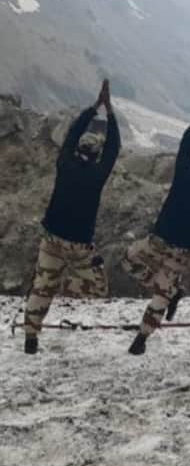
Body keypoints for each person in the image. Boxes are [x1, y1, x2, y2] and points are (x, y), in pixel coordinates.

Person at [123, 89, 190, 355]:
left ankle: (150, 324)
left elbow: (189, 137)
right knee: (162, 291)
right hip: (182, 247)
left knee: (129, 261)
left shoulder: (183, 170)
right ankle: (144, 333)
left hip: (159, 237)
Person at [22, 80, 121, 355]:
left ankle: (31, 334)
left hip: (51, 237)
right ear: (95, 155)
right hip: (78, 245)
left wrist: (93, 109)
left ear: (78, 149)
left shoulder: (64, 163)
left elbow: (71, 134)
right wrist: (109, 112)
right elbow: (114, 147)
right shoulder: (97, 174)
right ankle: (69, 286)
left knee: (41, 286)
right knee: (98, 286)